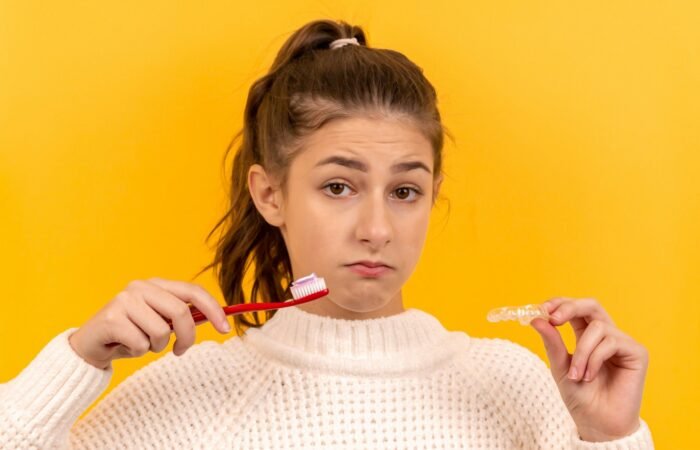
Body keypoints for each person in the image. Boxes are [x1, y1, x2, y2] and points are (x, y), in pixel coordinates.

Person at [0, 19, 654, 449]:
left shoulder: (522, 386)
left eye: (405, 191)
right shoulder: (190, 389)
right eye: (338, 187)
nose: (377, 229)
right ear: (270, 194)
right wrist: (77, 361)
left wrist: (610, 436)